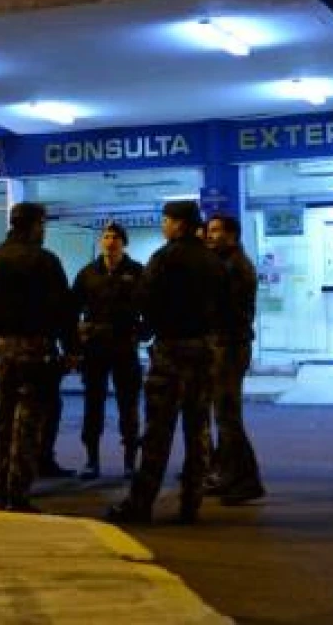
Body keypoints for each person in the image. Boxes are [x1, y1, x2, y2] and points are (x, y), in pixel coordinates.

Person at [107, 201, 226, 525]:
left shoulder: (164, 258)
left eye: (166, 221)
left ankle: (141, 503)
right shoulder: (213, 260)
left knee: (158, 432)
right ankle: (191, 503)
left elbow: (143, 299)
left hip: (171, 350)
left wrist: (148, 328)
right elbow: (224, 305)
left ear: (179, 224)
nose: (163, 226)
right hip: (204, 349)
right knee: (198, 429)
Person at [0, 202, 74, 512]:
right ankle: (18, 492)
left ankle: (1, 485)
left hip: (3, 349)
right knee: (29, 421)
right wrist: (71, 348)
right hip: (36, 350)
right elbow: (63, 310)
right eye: (42, 225)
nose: (43, 231)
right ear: (34, 225)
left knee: (3, 418)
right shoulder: (46, 261)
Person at [73, 222, 145, 480]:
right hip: (95, 347)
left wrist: (143, 333)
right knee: (93, 404)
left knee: (129, 404)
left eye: (115, 237)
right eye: (106, 237)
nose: (110, 241)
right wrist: (77, 340)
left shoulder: (137, 272)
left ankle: (130, 462)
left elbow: (151, 305)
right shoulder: (88, 273)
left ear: (124, 242)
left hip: (124, 346)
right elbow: (72, 307)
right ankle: (92, 460)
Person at [204, 213, 266, 505]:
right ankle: (228, 476)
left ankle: (247, 480)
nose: (209, 235)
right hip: (225, 344)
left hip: (229, 346)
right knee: (224, 416)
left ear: (232, 235)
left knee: (228, 417)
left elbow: (223, 308)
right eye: (209, 230)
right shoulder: (225, 262)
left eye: (216, 230)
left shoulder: (234, 266)